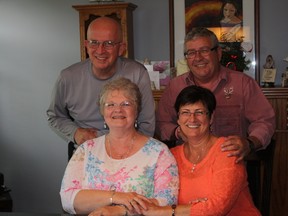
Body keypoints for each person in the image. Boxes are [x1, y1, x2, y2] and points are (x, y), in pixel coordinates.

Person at [60, 77, 179, 215]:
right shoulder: (86, 150)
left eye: (126, 104)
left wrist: (120, 210)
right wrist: (115, 197)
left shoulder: (159, 153)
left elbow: (167, 202)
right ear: (102, 111)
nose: (118, 110)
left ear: (137, 110)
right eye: (110, 105)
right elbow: (68, 199)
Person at [156, 27, 275, 163]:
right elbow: (162, 124)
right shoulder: (175, 87)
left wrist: (250, 143)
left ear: (218, 53)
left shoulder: (242, 84)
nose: (198, 58)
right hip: (186, 165)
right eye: (191, 53)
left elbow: (264, 121)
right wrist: (178, 132)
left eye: (204, 51)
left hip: (230, 162)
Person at [143, 85, 260, 216]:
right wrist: (197, 209)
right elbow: (162, 196)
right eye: (185, 112)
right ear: (178, 119)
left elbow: (217, 207)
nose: (192, 119)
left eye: (199, 112)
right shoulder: (171, 156)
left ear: (211, 118)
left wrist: (164, 211)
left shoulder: (227, 150)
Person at [46, 17, 155, 156]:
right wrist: (75, 132)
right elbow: (54, 116)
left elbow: (147, 125)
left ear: (121, 48)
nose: (100, 50)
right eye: (94, 43)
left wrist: (104, 139)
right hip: (83, 151)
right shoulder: (68, 77)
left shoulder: (137, 74)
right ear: (86, 45)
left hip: (128, 151)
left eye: (108, 43)